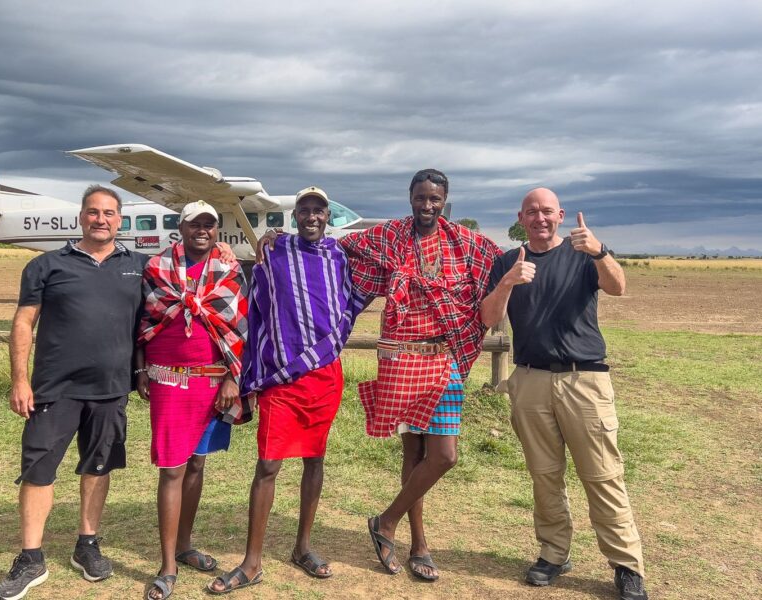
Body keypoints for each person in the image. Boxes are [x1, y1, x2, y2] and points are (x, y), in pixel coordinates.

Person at [480, 188, 647, 600]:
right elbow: (489, 318)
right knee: (544, 475)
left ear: (561, 215)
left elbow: (619, 287)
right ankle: (553, 554)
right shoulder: (507, 261)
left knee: (603, 475)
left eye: (547, 211)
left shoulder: (582, 252)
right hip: (531, 379)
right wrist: (507, 282)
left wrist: (599, 250)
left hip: (584, 379)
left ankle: (627, 566)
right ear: (521, 217)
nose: (540, 218)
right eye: (532, 212)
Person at [340, 169, 501, 579]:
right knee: (412, 453)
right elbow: (342, 246)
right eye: (420, 198)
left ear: (444, 201)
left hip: (443, 357)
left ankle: (385, 521)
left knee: (443, 455)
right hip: (403, 358)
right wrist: (282, 242)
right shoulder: (391, 236)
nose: (427, 206)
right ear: (409, 197)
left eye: (435, 199)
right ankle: (419, 543)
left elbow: (500, 267)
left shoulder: (465, 243)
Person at [207, 187, 366, 594]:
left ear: (327, 215)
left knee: (315, 459)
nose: (312, 216)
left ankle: (303, 547)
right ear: (295, 216)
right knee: (269, 466)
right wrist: (250, 372)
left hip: (326, 373)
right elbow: (256, 312)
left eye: (319, 210)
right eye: (305, 210)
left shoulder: (340, 257)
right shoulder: (274, 254)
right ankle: (252, 561)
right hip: (282, 377)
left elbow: (351, 302)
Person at [0, 185, 149, 600]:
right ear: (81, 216)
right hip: (54, 388)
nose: (102, 219)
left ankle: (88, 544)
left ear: (121, 220)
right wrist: (20, 379)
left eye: (110, 213)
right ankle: (30, 557)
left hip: (111, 389)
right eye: (94, 212)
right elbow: (24, 322)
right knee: (39, 470)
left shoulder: (140, 266)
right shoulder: (46, 265)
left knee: (98, 468)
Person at [135, 200, 249, 600]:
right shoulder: (156, 269)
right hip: (168, 380)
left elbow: (237, 328)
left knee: (197, 463)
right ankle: (167, 566)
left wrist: (233, 378)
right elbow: (143, 323)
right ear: (179, 227)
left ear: (217, 230)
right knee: (171, 467)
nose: (203, 230)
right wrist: (139, 370)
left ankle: (184, 545)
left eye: (210, 224)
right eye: (194, 224)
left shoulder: (229, 270)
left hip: (213, 382)